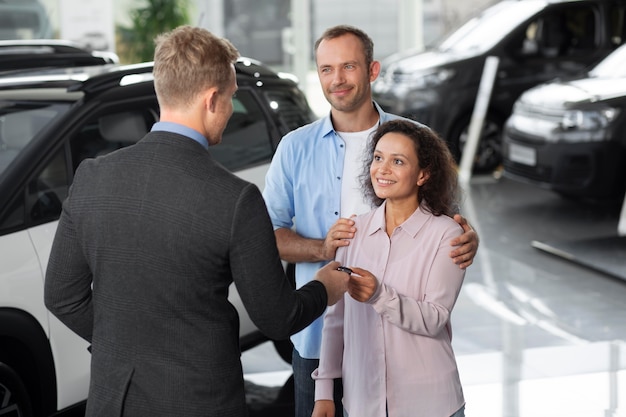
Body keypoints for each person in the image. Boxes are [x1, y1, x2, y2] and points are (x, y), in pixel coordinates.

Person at [43, 25, 349, 417]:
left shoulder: (91, 176)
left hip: (113, 399)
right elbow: (277, 317)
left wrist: (122, 345)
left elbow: (61, 295)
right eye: (232, 99)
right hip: (201, 401)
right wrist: (325, 287)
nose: (230, 110)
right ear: (211, 99)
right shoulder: (234, 199)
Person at [262, 25, 479, 417]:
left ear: (372, 70)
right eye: (326, 69)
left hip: (405, 349)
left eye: (348, 66)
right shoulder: (294, 148)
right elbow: (267, 234)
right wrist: (323, 249)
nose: (337, 79)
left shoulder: (416, 140)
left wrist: (469, 239)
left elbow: (449, 222)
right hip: (317, 339)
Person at [312, 119, 466, 417]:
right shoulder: (354, 231)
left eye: (398, 161)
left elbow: (435, 318)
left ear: (423, 174)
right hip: (362, 403)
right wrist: (324, 393)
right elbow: (336, 319)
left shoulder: (446, 234)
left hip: (430, 404)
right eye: (378, 157)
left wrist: (379, 295)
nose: (382, 169)